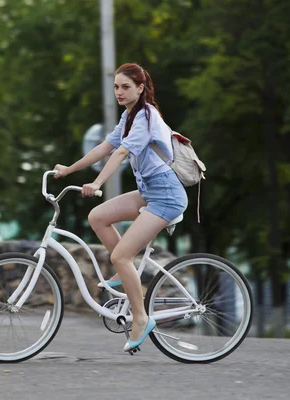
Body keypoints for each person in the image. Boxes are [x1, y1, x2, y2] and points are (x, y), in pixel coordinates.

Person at [53, 63, 188, 352]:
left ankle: (141, 318)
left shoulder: (146, 116)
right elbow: (105, 147)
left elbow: (123, 152)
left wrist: (98, 182)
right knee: (98, 216)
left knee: (122, 256)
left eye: (125, 86)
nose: (119, 92)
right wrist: (68, 170)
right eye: (116, 86)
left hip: (166, 195)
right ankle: (124, 274)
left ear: (141, 88)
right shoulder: (129, 116)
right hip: (149, 191)